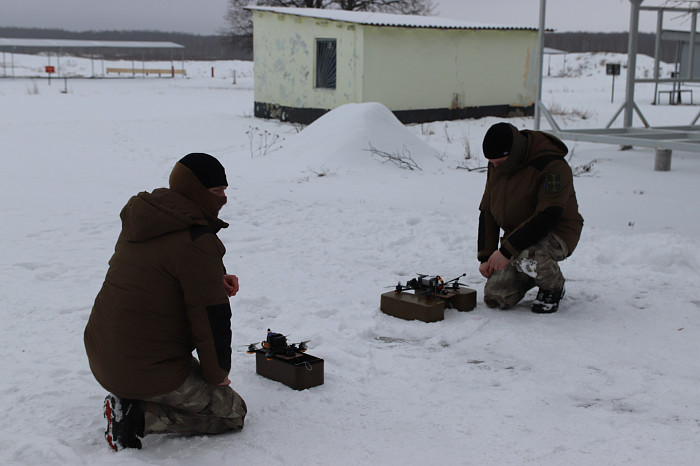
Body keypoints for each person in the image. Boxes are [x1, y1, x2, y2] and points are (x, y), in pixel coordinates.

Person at [84, 153, 247, 451]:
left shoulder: (148, 219)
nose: (223, 197)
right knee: (233, 412)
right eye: (215, 191)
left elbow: (160, 274)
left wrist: (214, 278)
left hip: (102, 353)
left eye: (225, 190)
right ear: (193, 191)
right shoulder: (196, 241)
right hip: (143, 366)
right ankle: (135, 419)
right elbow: (211, 319)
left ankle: (134, 396)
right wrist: (217, 374)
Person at [477, 122, 583, 313]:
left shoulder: (553, 166)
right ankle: (529, 272)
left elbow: (548, 216)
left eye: (498, 163)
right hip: (519, 235)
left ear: (513, 153)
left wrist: (507, 251)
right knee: (496, 297)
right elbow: (487, 211)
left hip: (557, 232)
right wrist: (486, 257)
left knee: (530, 255)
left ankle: (553, 286)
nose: (494, 167)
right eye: (491, 163)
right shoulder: (498, 163)